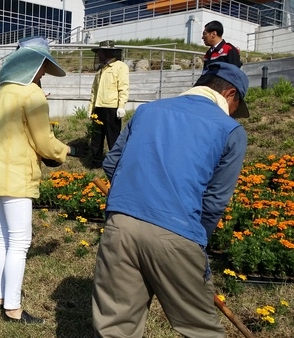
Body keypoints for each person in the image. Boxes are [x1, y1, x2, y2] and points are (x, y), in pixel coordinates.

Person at [92, 62, 249, 337]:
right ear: (230, 94)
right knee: (200, 329)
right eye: (238, 106)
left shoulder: (147, 110)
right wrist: (193, 241)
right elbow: (214, 202)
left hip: (121, 226)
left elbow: (111, 163)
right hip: (178, 233)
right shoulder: (230, 131)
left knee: (116, 327)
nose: (235, 113)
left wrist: (129, 201)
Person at [0, 36, 83, 324]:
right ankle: (12, 308)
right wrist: (69, 151)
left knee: (4, 237)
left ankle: (0, 295)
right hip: (16, 174)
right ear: (35, 64)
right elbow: (45, 141)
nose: (42, 74)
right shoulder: (32, 94)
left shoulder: (2, 92)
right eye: (42, 67)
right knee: (21, 242)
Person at [88, 40, 129, 169]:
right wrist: (91, 108)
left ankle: (115, 163)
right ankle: (96, 162)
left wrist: (121, 106)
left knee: (113, 138)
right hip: (98, 108)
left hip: (112, 109)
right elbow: (94, 91)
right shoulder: (100, 70)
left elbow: (123, 87)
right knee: (96, 138)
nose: (99, 54)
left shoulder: (120, 67)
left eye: (100, 51)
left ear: (107, 52)